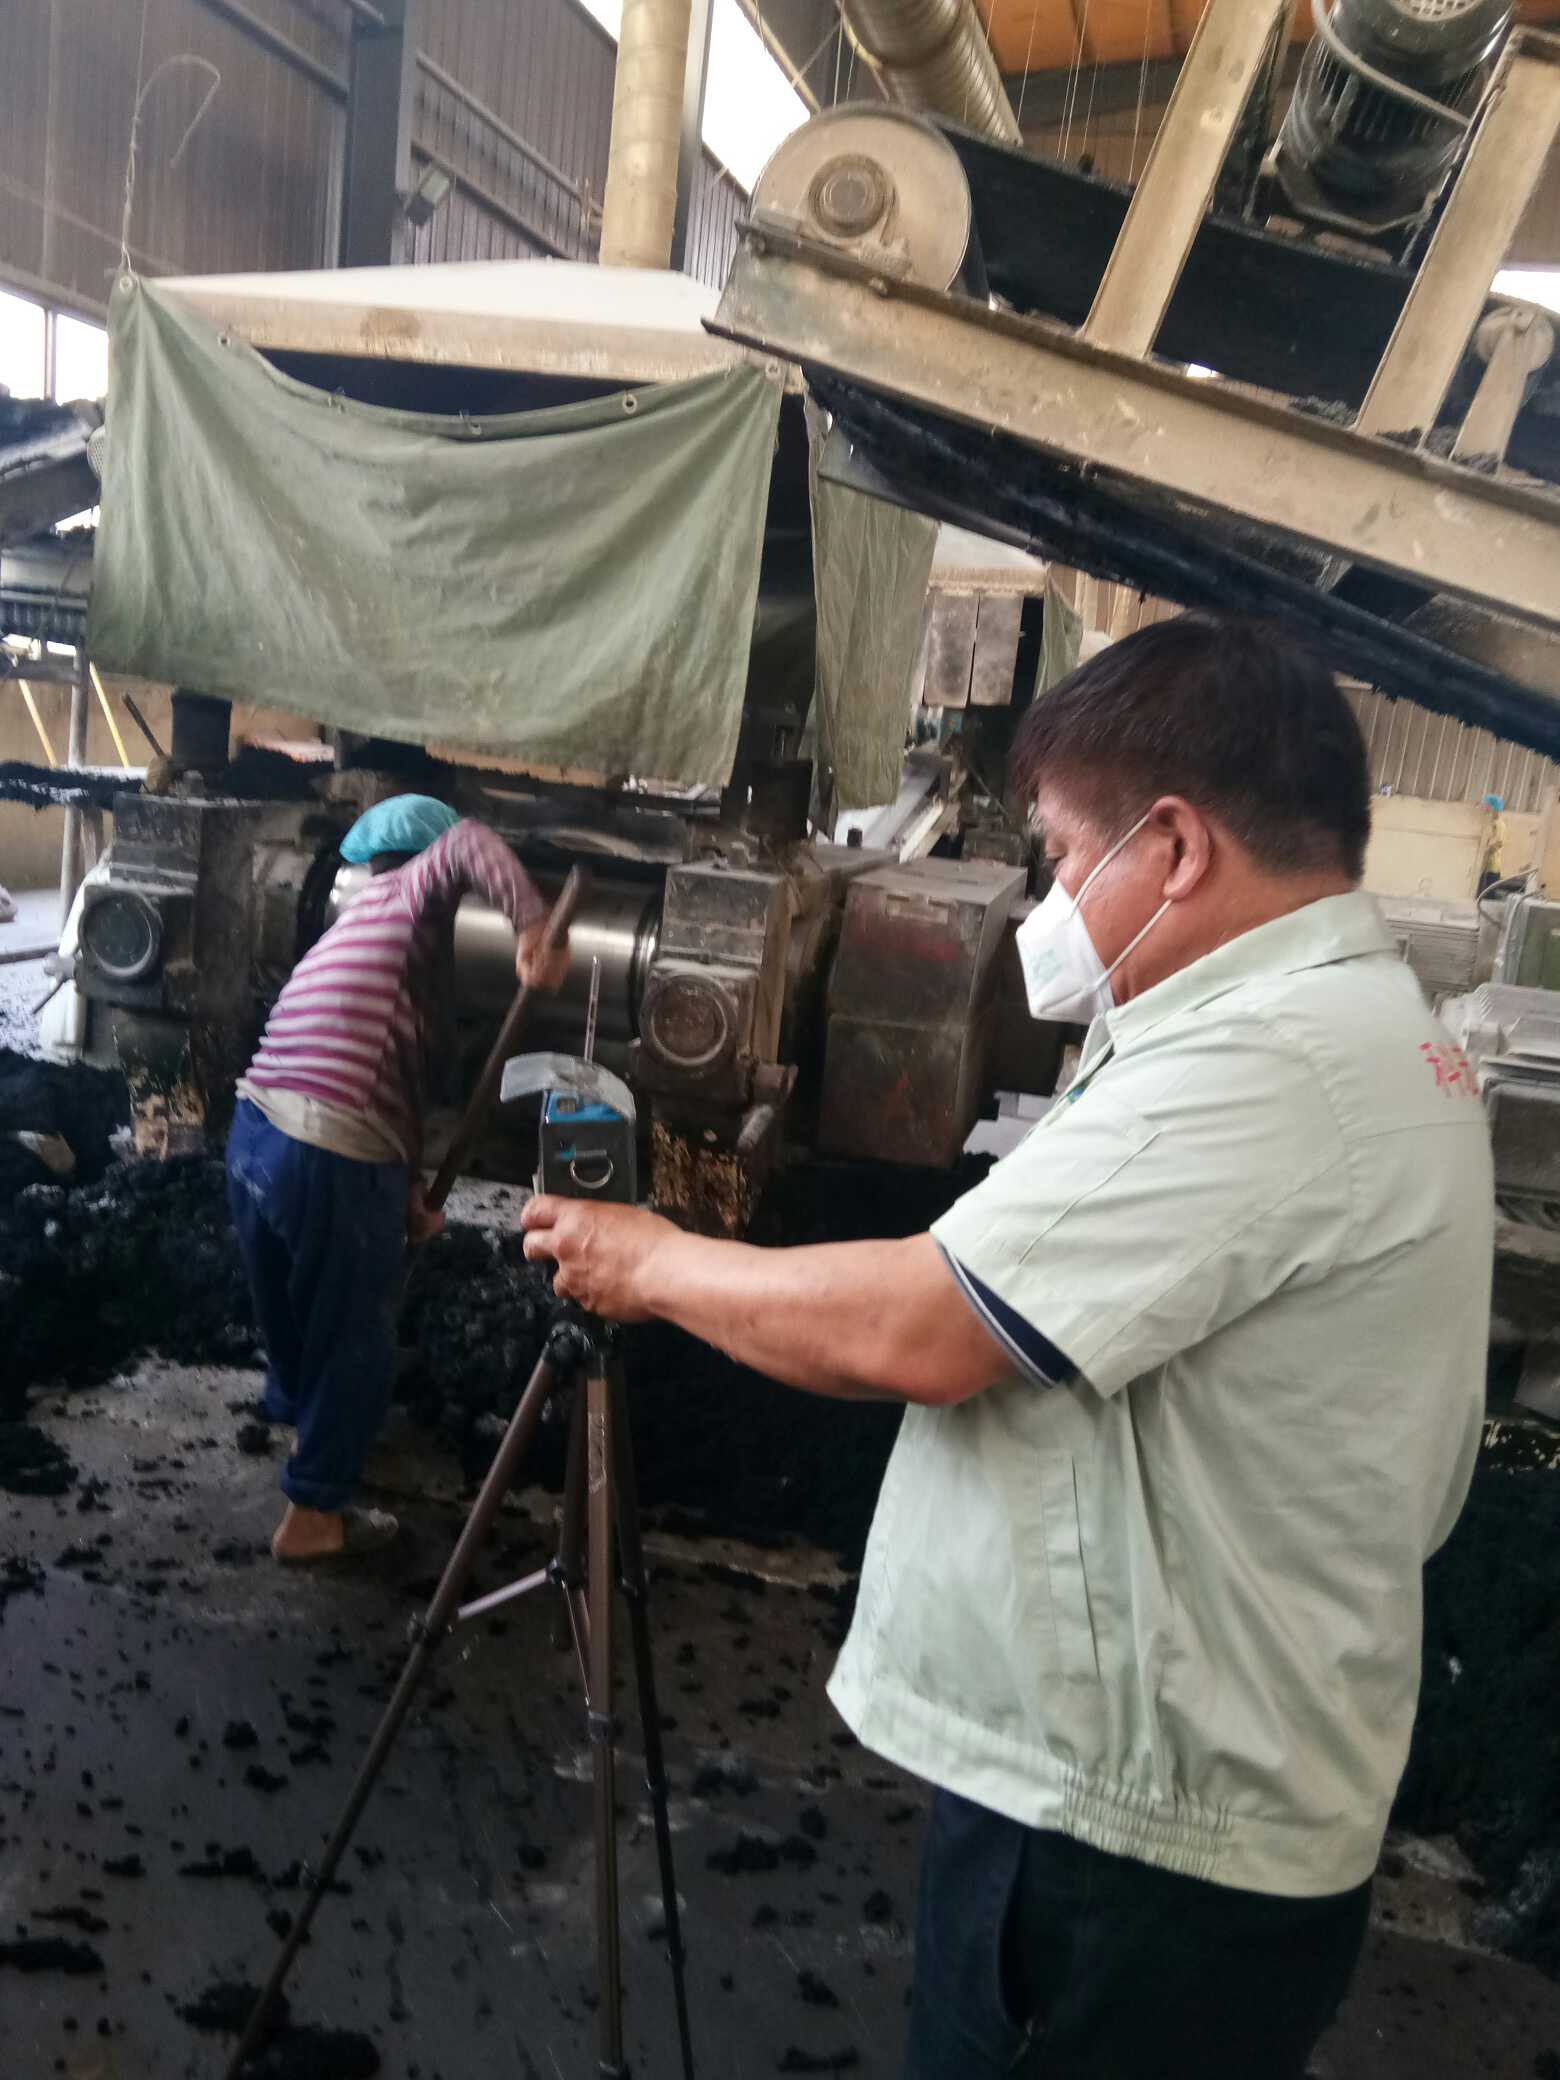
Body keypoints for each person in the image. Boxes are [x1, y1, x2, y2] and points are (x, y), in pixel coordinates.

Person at [519, 615, 1494, 2080]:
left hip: (1134, 1847)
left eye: (1061, 853)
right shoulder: (1355, 1030)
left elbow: (925, 1326)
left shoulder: (1269, 1060)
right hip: (1208, 1797)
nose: (1049, 895)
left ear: (1175, 846)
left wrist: (649, 1262)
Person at [227, 794, 568, 1564]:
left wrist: (405, 1189)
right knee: (357, 1334)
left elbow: (393, 1079)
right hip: (329, 1152)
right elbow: (471, 839)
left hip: (253, 1135)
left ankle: (298, 1412)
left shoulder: (352, 934)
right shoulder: (412, 896)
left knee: (293, 1301)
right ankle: (313, 1515)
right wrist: (534, 926)